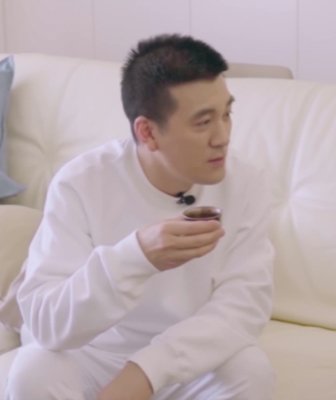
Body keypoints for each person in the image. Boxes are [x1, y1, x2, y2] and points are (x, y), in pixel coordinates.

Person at [6, 34, 275, 400]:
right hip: (93, 354)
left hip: (189, 356)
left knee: (250, 372)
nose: (222, 137)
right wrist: (135, 256)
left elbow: (244, 307)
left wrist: (145, 373)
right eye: (203, 122)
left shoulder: (246, 184)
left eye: (226, 114)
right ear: (147, 132)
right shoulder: (81, 183)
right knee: (33, 372)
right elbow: (44, 323)